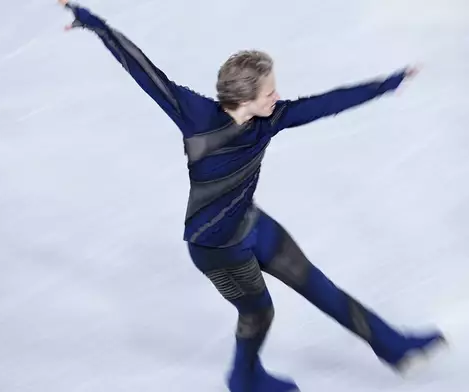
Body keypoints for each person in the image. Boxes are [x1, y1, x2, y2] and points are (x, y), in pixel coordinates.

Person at [57, 2, 447, 391]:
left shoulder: (271, 118)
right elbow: (141, 67)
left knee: (318, 284)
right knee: (259, 313)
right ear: (245, 98)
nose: (277, 95)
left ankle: (392, 346)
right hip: (216, 247)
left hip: (252, 224)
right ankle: (243, 378)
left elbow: (327, 103)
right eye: (270, 91)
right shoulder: (194, 115)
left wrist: (386, 84)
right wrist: (95, 23)